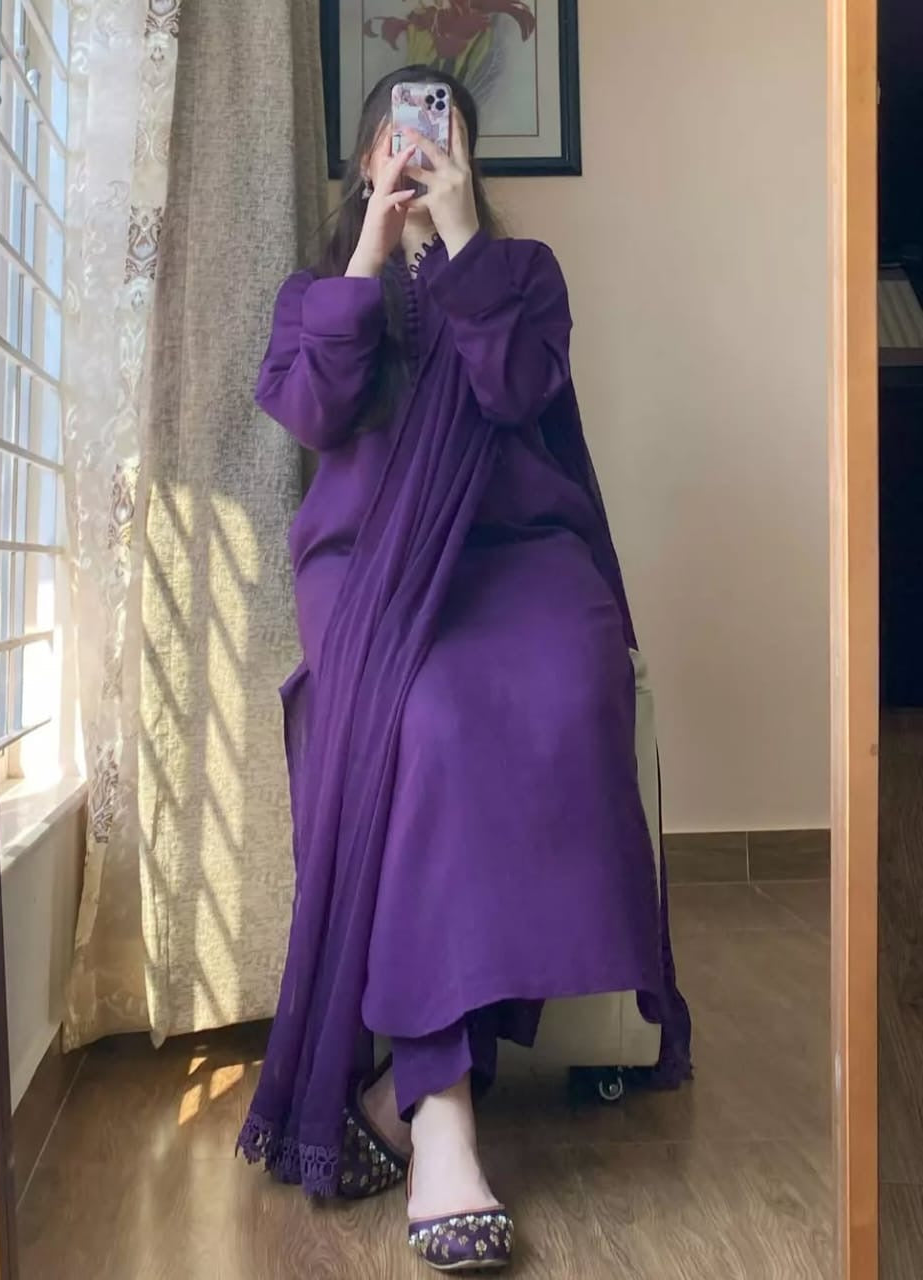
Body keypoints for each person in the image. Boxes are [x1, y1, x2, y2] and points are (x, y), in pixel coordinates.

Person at [237, 65, 691, 1273]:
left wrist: (462, 242)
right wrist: (369, 259)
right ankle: (440, 1114)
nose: (418, 147)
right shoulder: (318, 292)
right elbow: (313, 414)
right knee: (425, 714)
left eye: (441, 131)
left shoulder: (519, 272)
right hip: (368, 565)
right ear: (367, 156)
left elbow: (517, 387)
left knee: (571, 681)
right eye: (400, 131)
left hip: (514, 551)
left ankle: (416, 1095)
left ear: (468, 154)